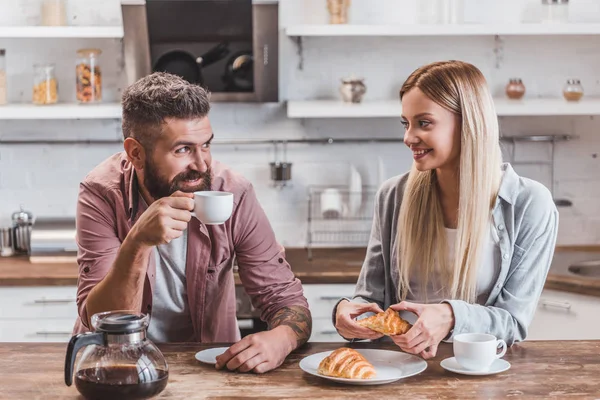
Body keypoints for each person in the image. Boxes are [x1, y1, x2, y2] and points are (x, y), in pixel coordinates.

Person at [73, 72, 312, 374]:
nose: (202, 165)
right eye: (183, 149)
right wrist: (138, 243)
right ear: (136, 153)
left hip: (210, 367)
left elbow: (285, 300)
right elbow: (98, 318)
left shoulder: (234, 192)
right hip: (116, 365)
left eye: (206, 146)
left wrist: (281, 339)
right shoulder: (102, 193)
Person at [334, 60, 558, 359]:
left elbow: (513, 321)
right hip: (398, 368)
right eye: (406, 123)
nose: (408, 137)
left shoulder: (529, 203)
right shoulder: (393, 196)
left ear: (468, 123)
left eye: (423, 123)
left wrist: (451, 316)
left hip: (478, 371)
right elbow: (370, 299)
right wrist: (347, 313)